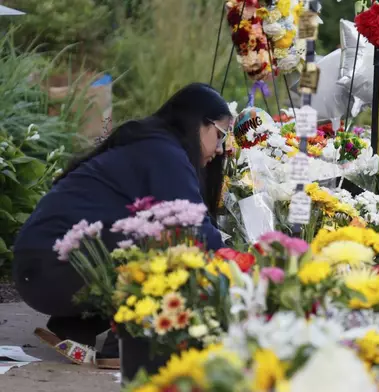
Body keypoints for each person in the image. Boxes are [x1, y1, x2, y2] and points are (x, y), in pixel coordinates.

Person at [12, 83, 232, 368]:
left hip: (39, 270)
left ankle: (76, 327)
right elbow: (194, 229)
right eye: (220, 135)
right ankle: (128, 343)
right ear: (197, 123)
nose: (220, 148)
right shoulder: (164, 153)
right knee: (177, 246)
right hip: (57, 268)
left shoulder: (149, 146)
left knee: (153, 234)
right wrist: (243, 267)